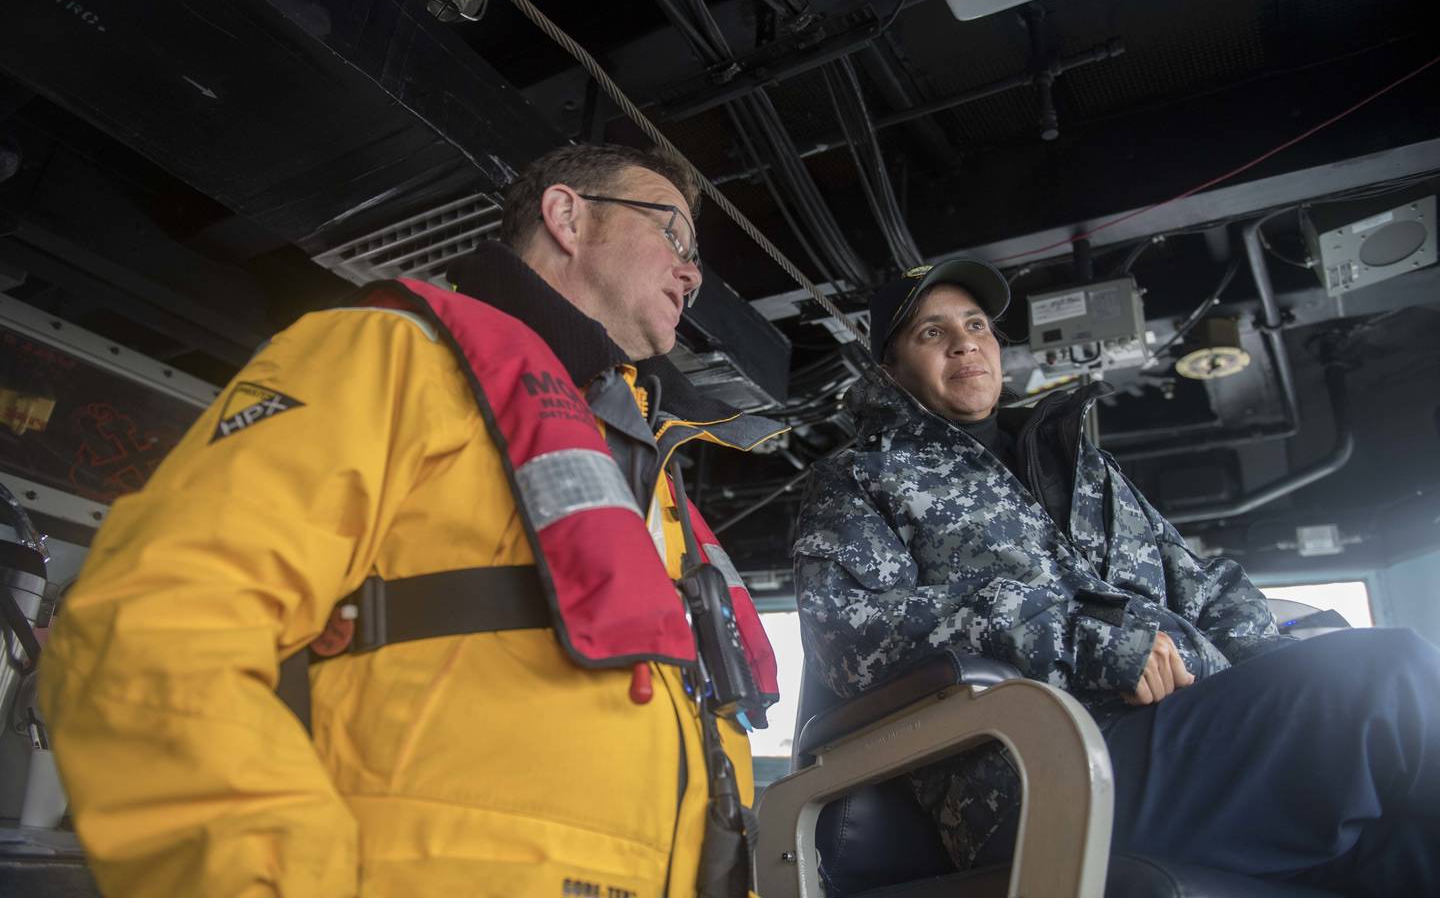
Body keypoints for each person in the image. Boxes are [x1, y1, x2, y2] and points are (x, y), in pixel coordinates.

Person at [40, 144, 783, 898]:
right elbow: (159, 624)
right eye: (673, 235)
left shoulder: (644, 471)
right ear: (566, 216)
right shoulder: (391, 354)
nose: (692, 273)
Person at [792, 258, 1440, 896]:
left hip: (1187, 729)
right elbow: (852, 637)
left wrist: (1275, 676)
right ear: (890, 368)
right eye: (932, 333)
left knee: (1401, 848)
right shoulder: (859, 478)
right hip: (1042, 768)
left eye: (978, 324)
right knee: (1392, 676)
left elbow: (1203, 587)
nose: (966, 342)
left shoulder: (1081, 465)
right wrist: (1089, 642)